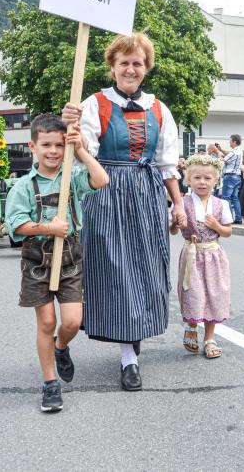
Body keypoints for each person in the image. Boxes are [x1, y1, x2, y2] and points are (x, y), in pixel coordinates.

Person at [62, 33, 187, 392]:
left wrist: (177, 204)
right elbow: (82, 149)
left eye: (137, 63)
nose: (131, 69)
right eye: (124, 63)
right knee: (115, 270)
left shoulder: (159, 109)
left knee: (146, 269)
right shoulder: (93, 104)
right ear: (113, 68)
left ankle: (130, 350)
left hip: (147, 194)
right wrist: (70, 122)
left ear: (146, 68)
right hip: (106, 190)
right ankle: (126, 357)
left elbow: (166, 165)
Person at [5, 114, 109, 412]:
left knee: (73, 321)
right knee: (47, 322)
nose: (53, 151)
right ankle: (50, 383)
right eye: (46, 145)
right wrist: (48, 228)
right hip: (37, 259)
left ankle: (61, 348)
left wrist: (82, 151)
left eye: (59, 145)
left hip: (70, 257)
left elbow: (101, 180)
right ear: (33, 146)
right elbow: (16, 224)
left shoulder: (72, 177)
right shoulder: (23, 186)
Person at [171, 154, 232, 359]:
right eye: (197, 178)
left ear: (215, 180)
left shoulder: (220, 204)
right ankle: (191, 325)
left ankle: (209, 338)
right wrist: (175, 223)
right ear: (188, 179)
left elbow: (228, 232)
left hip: (214, 255)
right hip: (192, 255)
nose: (202, 182)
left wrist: (216, 226)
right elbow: (172, 231)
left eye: (207, 178)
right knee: (193, 293)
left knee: (215, 294)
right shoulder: (182, 203)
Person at [215, 135, 244, 224]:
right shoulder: (239, 151)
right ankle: (238, 218)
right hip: (237, 176)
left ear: (234, 142)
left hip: (230, 176)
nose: (229, 142)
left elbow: (223, 160)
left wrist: (218, 153)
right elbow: (228, 154)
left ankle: (229, 218)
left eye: (230, 141)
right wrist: (221, 149)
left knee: (226, 198)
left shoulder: (234, 152)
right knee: (235, 198)